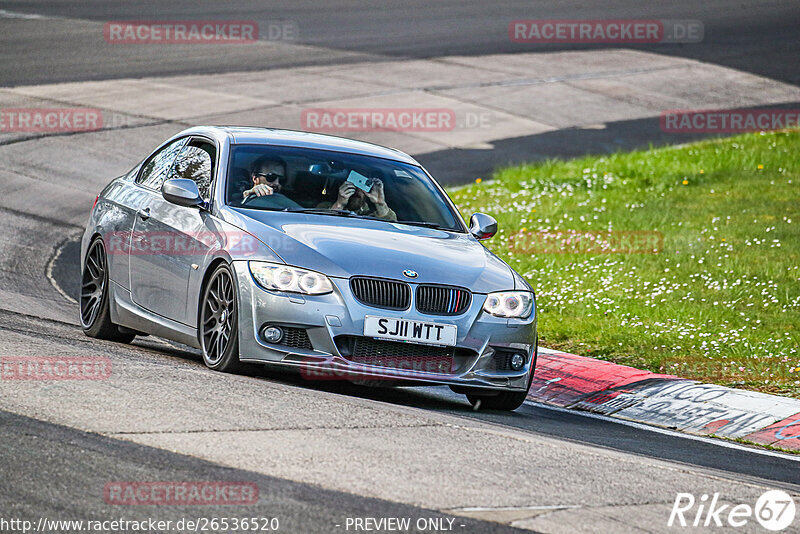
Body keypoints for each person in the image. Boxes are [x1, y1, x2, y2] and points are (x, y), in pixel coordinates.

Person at [318, 177, 397, 221]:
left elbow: (392, 230)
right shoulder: (324, 207)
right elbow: (321, 224)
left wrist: (380, 204)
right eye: (352, 185)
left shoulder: (374, 216)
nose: (357, 190)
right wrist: (339, 205)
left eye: (362, 186)